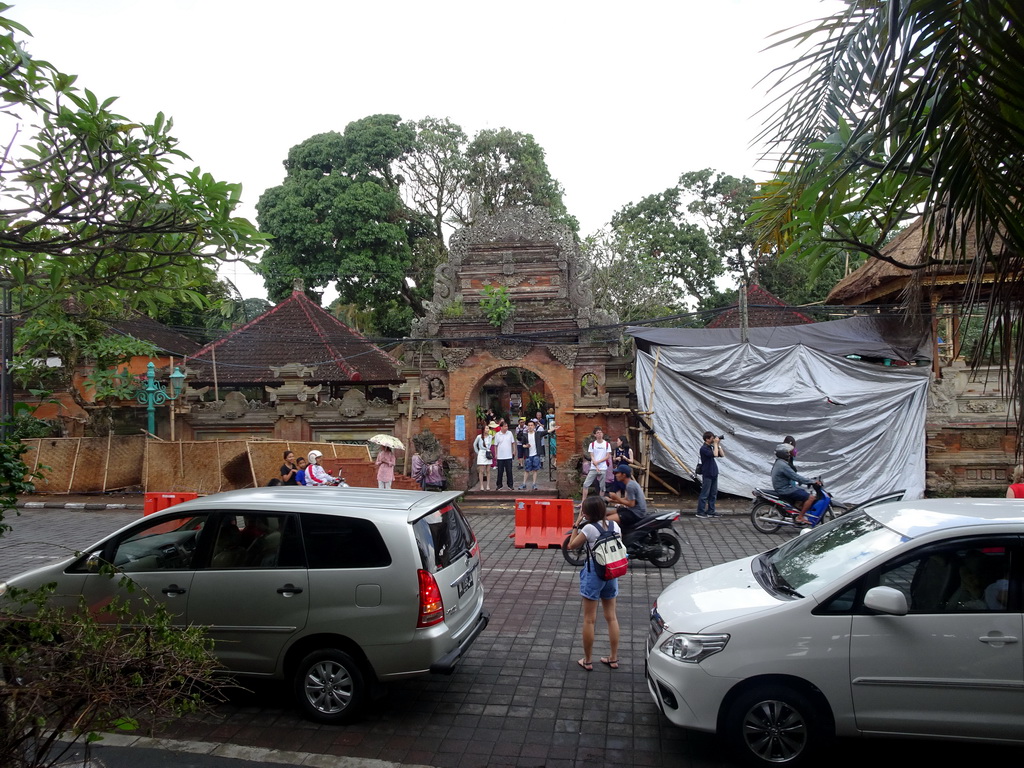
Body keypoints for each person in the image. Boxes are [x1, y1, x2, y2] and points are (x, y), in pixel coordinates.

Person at [567, 495, 621, 672]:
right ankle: (613, 658)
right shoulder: (615, 526)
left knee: (589, 619)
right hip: (611, 573)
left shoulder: (589, 529)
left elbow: (572, 546)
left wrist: (577, 523)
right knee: (611, 617)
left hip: (593, 574)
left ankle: (588, 660)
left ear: (588, 513)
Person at [770, 442, 817, 523]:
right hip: (785, 489)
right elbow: (795, 476)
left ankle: (798, 511)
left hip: (783, 487)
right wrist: (812, 481)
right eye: (788, 453)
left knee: (802, 491)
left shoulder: (779, 463)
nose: (790, 454)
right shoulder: (783, 466)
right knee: (811, 497)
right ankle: (800, 517)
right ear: (784, 454)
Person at [606, 464, 647, 533]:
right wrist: (612, 500)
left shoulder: (630, 486)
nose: (616, 475)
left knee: (606, 521)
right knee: (607, 513)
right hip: (632, 510)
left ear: (624, 475)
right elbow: (626, 499)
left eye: (618, 473)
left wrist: (616, 497)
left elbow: (631, 504)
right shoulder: (632, 483)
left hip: (636, 514)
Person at [696, 431, 725, 519]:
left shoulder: (710, 447)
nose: (713, 439)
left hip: (714, 472)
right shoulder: (703, 448)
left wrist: (718, 444)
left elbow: (722, 455)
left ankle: (711, 511)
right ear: (707, 439)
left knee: (713, 493)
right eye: (712, 438)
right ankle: (700, 512)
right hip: (707, 473)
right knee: (705, 494)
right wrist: (715, 444)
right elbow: (715, 454)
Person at [582, 428, 611, 503]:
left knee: (602, 486)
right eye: (598, 433)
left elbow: (607, 456)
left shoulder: (607, 444)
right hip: (593, 467)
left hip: (603, 467)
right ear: (595, 435)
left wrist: (598, 462)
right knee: (586, 484)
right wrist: (595, 463)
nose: (600, 434)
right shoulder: (592, 444)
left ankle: (600, 501)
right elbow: (591, 455)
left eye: (601, 432)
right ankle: (583, 501)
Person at [518, 419, 545, 490]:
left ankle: (534, 484)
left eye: (531, 425)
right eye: (529, 425)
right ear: (527, 427)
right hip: (528, 455)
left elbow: (546, 432)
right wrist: (526, 446)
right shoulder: (525, 435)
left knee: (535, 470)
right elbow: (522, 445)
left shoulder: (537, 434)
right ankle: (524, 484)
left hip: (536, 454)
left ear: (534, 426)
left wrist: (553, 428)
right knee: (527, 470)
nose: (530, 427)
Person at [492, 421, 516, 491]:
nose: (506, 428)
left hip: (508, 455)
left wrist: (514, 450)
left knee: (509, 471)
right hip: (500, 456)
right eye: (505, 426)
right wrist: (496, 454)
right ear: (501, 427)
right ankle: (499, 485)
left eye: (507, 426)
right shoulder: (497, 435)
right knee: (500, 471)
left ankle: (510, 485)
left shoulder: (510, 433)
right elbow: (495, 445)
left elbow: (513, 443)